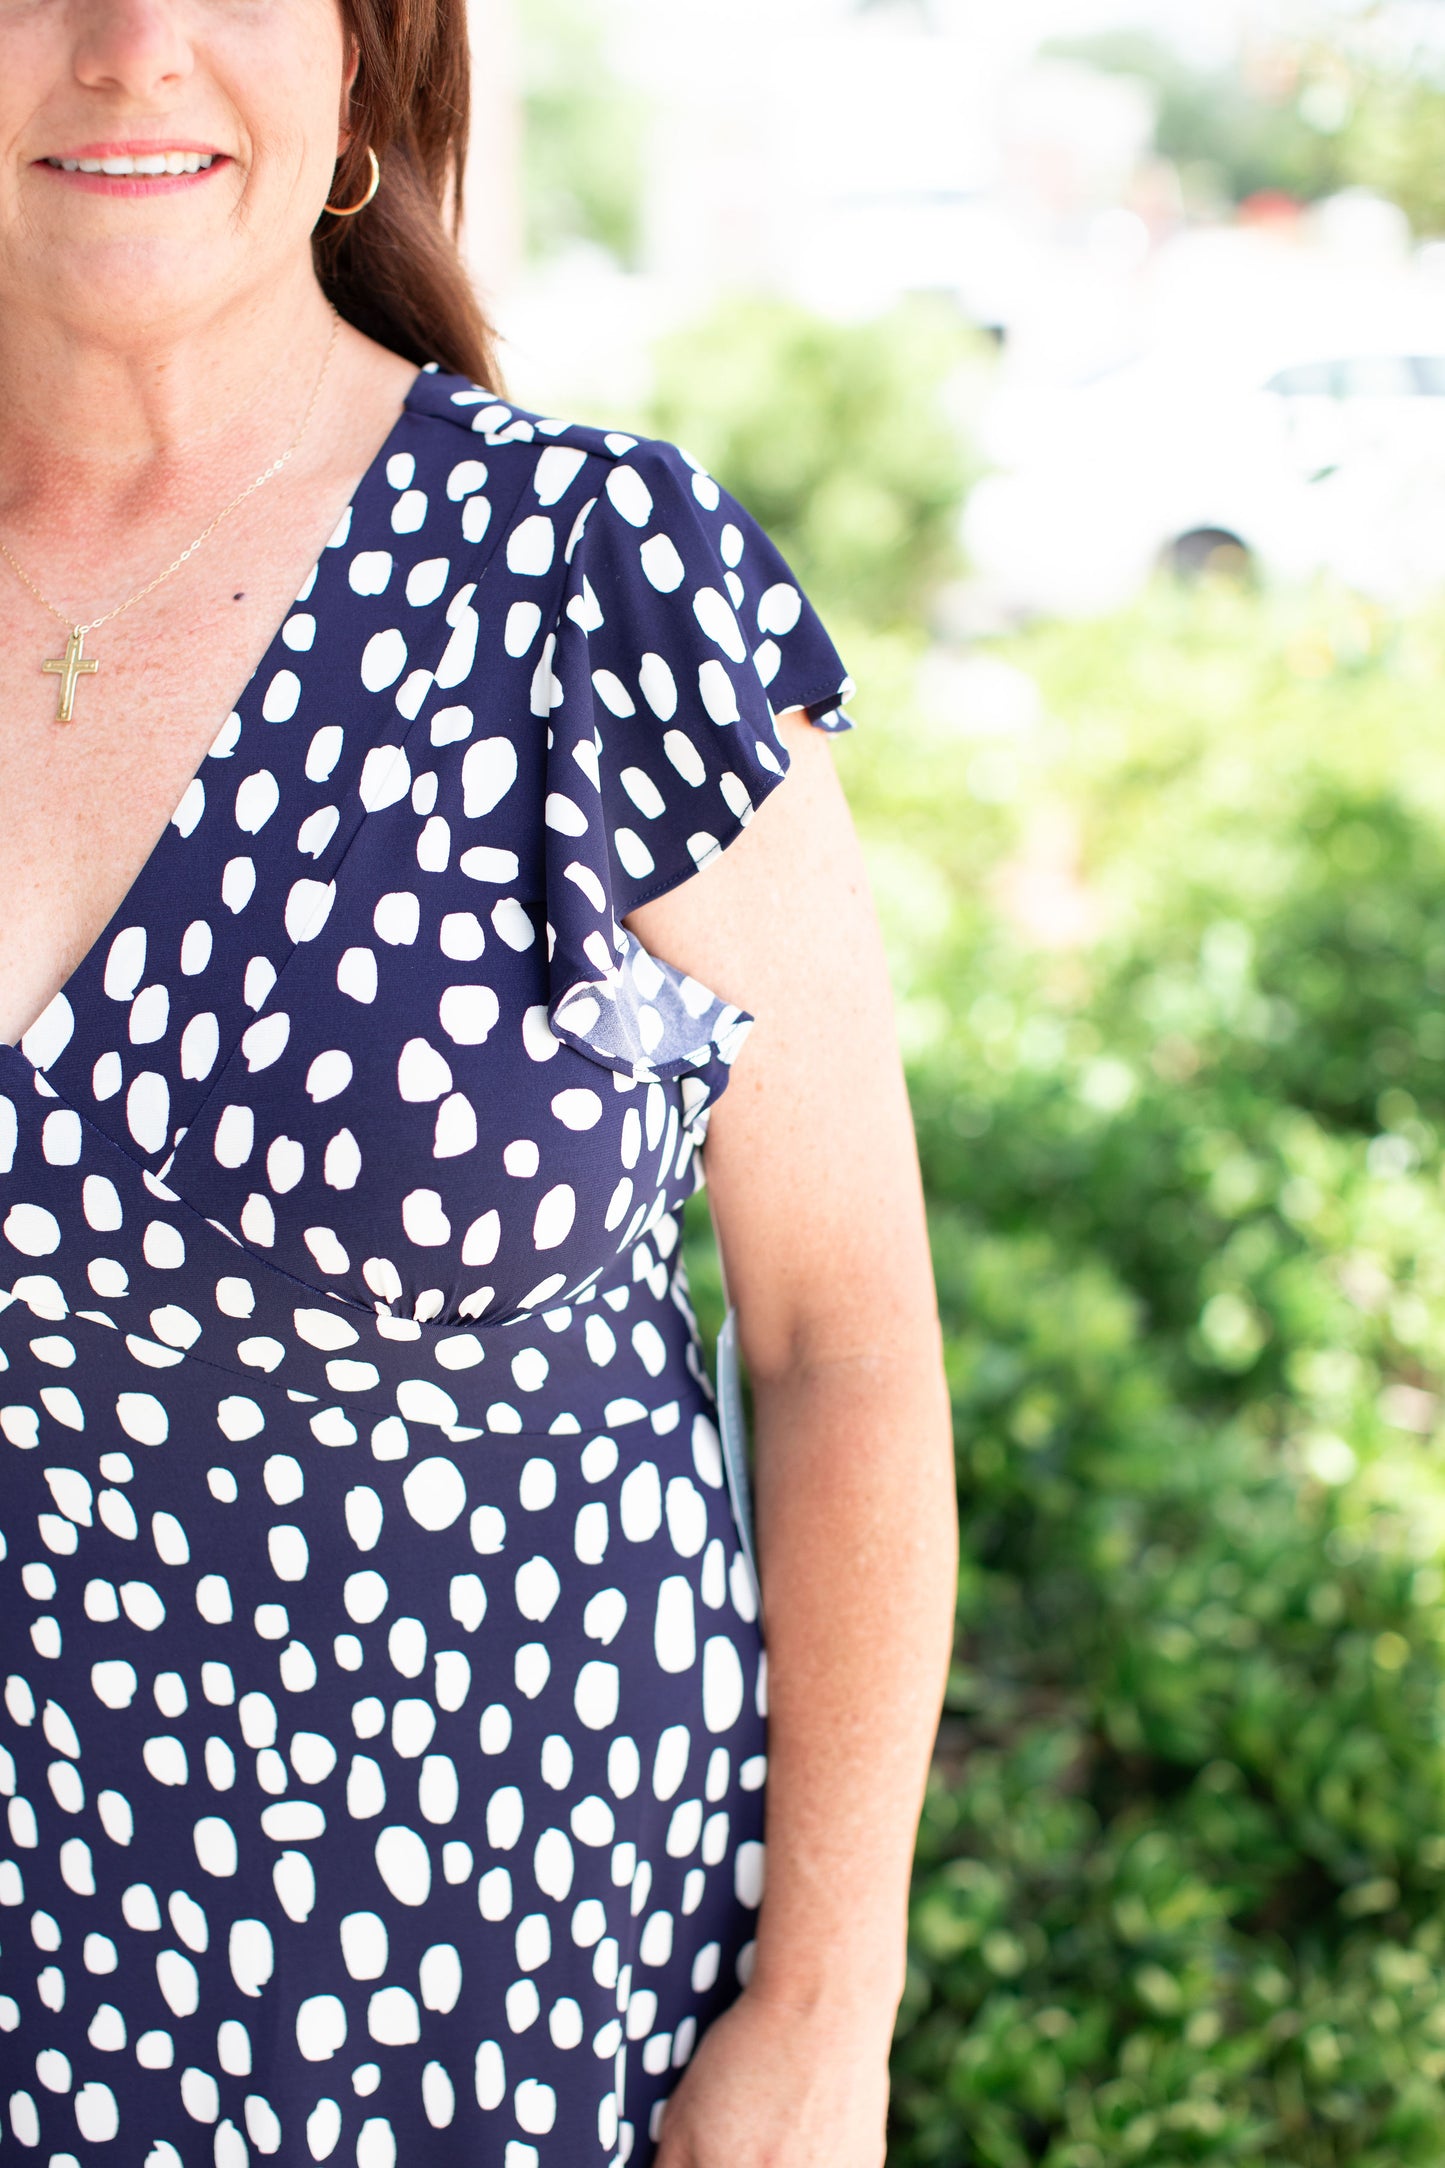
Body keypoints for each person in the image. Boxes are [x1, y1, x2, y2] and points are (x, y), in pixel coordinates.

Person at [0, 0, 957, 2159]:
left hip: (502, 2008)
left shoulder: (590, 578)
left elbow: (841, 1341)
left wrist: (823, 2015)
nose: (131, 47)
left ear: (365, 61)